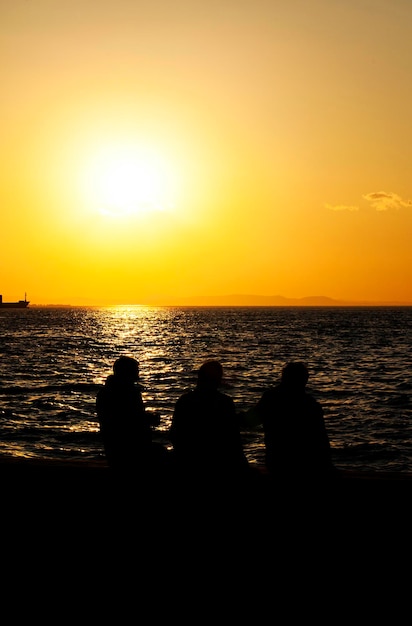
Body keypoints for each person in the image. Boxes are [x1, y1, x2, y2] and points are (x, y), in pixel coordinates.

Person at [255, 361, 339, 483]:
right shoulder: (310, 405)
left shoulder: (270, 398)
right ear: (304, 381)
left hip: (277, 462)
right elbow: (321, 440)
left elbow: (251, 420)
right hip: (305, 464)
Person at [169, 360, 250, 486]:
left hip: (188, 462)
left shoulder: (184, 401)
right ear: (218, 380)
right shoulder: (225, 402)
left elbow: (175, 434)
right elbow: (233, 439)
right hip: (218, 464)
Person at [96, 356, 169, 479]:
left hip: (114, 449)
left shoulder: (105, 392)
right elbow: (130, 421)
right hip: (130, 450)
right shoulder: (129, 392)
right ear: (128, 372)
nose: (138, 373)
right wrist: (150, 419)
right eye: (136, 370)